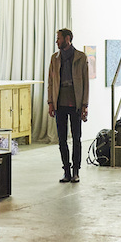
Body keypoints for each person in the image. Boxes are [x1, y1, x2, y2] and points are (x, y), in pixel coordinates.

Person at [47, 28, 89, 183]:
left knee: (76, 138)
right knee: (62, 139)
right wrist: (50, 102)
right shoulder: (55, 58)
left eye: (58, 38)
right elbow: (51, 82)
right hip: (59, 103)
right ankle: (66, 170)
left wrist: (85, 104)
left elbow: (86, 83)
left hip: (75, 103)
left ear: (67, 39)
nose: (56, 41)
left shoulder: (81, 57)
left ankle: (76, 171)